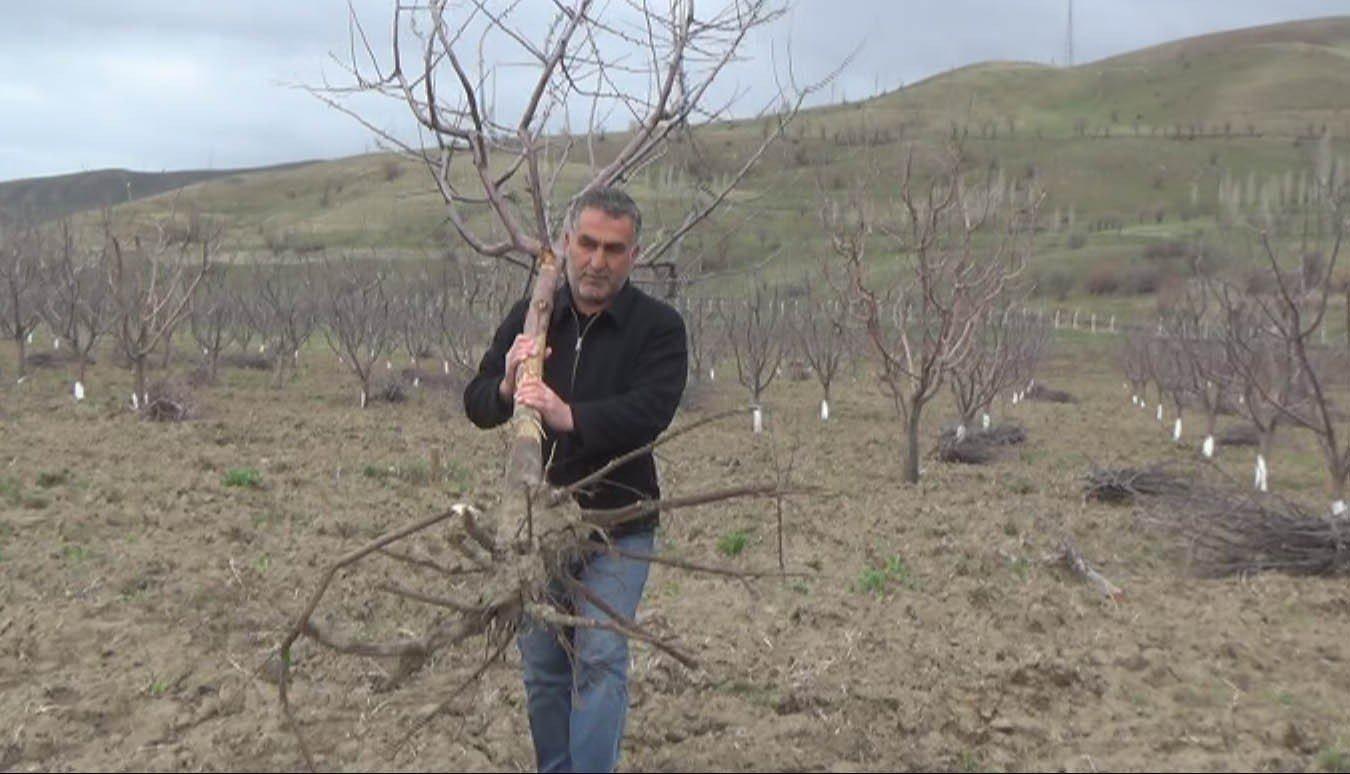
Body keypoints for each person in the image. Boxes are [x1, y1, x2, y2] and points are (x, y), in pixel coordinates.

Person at [463, 186, 688, 773]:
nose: (597, 260)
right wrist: (510, 387)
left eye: (614, 249)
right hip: (537, 525)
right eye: (586, 244)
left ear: (634, 255)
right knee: (542, 665)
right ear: (566, 246)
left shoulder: (659, 328)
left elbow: (650, 412)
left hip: (619, 523)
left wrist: (570, 416)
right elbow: (477, 401)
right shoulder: (535, 315)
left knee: (600, 656)